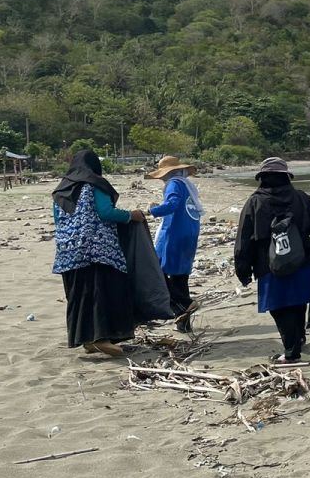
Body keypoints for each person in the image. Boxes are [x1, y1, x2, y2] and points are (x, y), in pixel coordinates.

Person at [51, 150, 146, 357]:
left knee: (79, 295)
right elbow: (106, 212)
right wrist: (132, 216)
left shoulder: (61, 189)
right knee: (101, 291)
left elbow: (58, 221)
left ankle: (87, 340)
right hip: (97, 250)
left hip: (68, 252)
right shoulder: (95, 184)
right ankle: (101, 338)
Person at [234, 157, 310, 365]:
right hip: (301, 259)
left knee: (278, 307)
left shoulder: (255, 202)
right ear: (286, 177)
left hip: (268, 264)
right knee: (297, 301)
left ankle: (291, 352)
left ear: (262, 179)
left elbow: (243, 239)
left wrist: (243, 270)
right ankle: (299, 337)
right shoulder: (301, 198)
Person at [146, 155, 203, 332]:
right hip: (190, 232)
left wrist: (151, 211)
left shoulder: (174, 184)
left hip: (174, 233)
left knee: (158, 271)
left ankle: (186, 303)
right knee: (180, 277)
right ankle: (183, 322)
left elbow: (172, 204)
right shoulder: (187, 185)